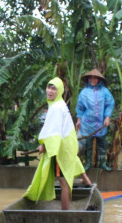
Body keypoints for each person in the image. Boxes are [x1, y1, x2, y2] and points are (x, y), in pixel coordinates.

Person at [24, 77, 92, 210]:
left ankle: (64, 212)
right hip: (68, 147)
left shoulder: (56, 108)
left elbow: (55, 134)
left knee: (63, 182)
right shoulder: (60, 105)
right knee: (66, 178)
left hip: (61, 149)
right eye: (48, 87)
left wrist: (44, 146)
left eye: (53, 88)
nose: (49, 91)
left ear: (59, 90)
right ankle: (87, 184)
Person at [75, 69, 115, 171]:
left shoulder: (105, 91)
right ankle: (88, 163)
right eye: (91, 78)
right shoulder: (84, 92)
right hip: (87, 123)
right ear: (88, 79)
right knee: (88, 144)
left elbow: (110, 104)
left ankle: (102, 163)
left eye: (95, 78)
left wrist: (107, 117)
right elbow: (80, 107)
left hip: (101, 122)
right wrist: (79, 120)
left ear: (98, 79)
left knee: (102, 144)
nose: (92, 80)